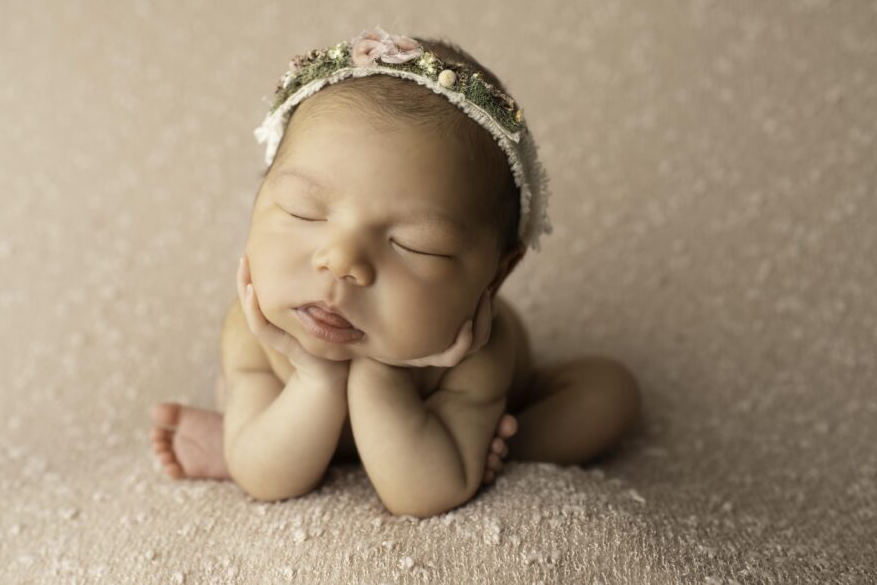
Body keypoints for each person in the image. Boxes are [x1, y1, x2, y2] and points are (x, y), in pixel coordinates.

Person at [150, 26, 642, 518]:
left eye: (414, 245)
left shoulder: (476, 353)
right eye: (304, 211)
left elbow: (421, 494)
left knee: (609, 393)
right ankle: (252, 435)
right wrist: (314, 379)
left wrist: (380, 376)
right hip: (294, 420)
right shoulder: (255, 329)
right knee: (261, 455)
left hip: (454, 426)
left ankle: (488, 447)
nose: (341, 261)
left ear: (494, 278)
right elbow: (267, 483)